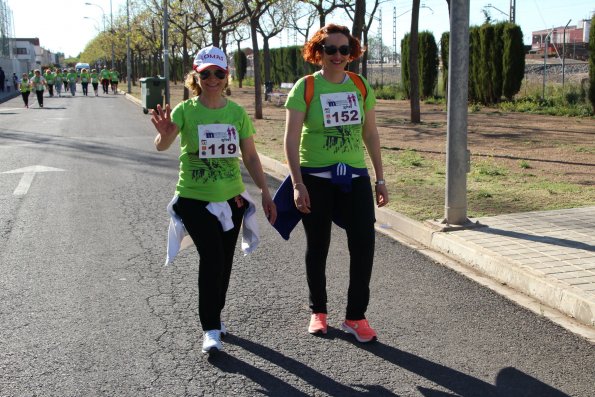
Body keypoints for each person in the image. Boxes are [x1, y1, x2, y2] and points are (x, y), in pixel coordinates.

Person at [150, 46, 277, 354]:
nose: (212, 79)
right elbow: (161, 145)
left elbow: (249, 155)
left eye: (218, 73)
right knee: (213, 260)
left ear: (226, 76)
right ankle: (209, 327)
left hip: (231, 200)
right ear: (197, 76)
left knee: (225, 263)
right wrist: (165, 133)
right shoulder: (185, 110)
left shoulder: (236, 113)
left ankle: (215, 316)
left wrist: (265, 191)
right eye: (205, 73)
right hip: (194, 199)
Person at [280, 23, 389, 343]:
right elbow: (290, 140)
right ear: (319, 52)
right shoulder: (305, 87)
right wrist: (298, 184)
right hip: (316, 177)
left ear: (351, 52)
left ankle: (356, 316)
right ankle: (319, 311)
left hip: (354, 176)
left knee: (364, 245)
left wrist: (380, 178)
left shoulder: (360, 85)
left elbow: (370, 133)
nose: (338, 55)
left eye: (345, 49)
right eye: (331, 49)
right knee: (318, 246)